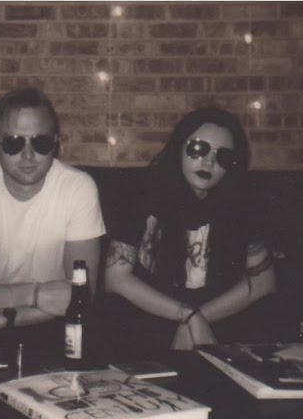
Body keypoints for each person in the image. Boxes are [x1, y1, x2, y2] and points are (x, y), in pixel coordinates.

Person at [0, 87, 106, 347]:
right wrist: (34, 294)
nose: (28, 155)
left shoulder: (77, 188)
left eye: (40, 142)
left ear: (55, 144)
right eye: (13, 143)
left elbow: (81, 295)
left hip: (49, 322)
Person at [102, 107, 277, 356]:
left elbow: (263, 283)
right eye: (198, 148)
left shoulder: (243, 203)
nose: (209, 162)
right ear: (179, 148)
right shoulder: (142, 193)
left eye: (223, 156)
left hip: (218, 318)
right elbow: (116, 279)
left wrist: (196, 319)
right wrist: (186, 314)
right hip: (151, 316)